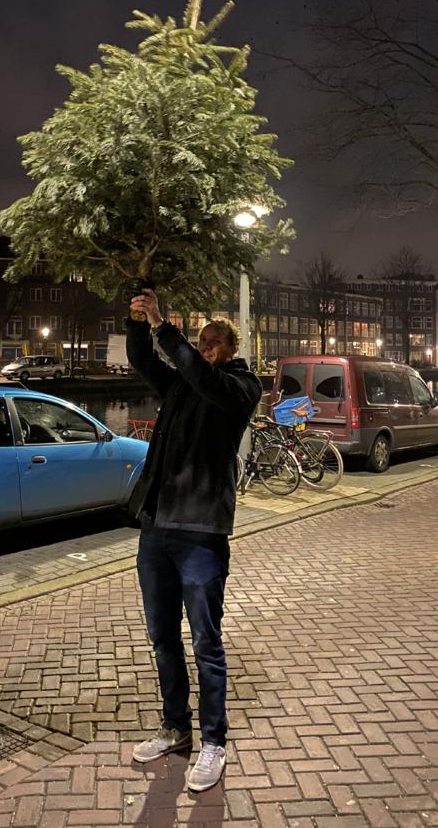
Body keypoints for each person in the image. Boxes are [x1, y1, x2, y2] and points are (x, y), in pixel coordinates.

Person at [126, 287, 262, 792]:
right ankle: (174, 726)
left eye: (213, 342)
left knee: (206, 641)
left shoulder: (240, 386)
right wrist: (137, 320)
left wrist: (165, 327)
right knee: (162, 636)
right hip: (157, 527)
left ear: (231, 348)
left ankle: (214, 742)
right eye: (201, 341)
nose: (204, 348)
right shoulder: (182, 384)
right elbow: (144, 361)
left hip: (202, 532)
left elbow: (203, 378)